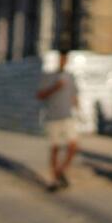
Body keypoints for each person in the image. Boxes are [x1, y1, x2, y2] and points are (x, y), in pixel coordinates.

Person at [36, 49, 79, 191]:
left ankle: (61, 171)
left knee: (73, 146)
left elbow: (74, 95)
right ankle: (54, 180)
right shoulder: (48, 76)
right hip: (53, 117)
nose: (63, 62)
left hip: (68, 117)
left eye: (65, 59)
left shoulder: (70, 77)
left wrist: (77, 108)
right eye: (61, 59)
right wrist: (55, 87)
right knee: (55, 149)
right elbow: (40, 95)